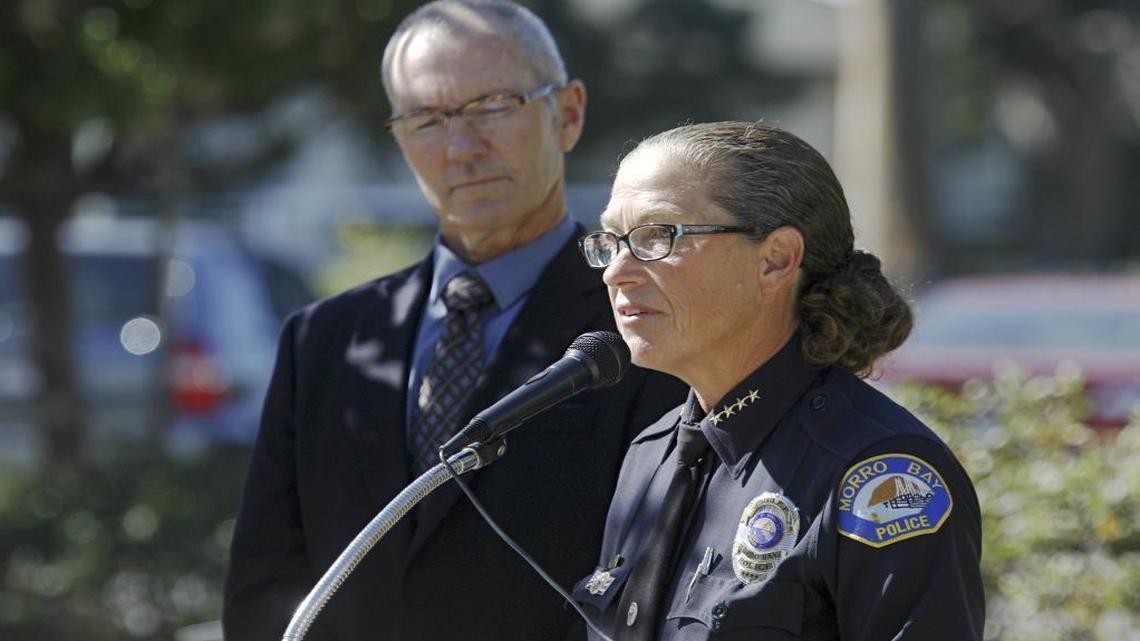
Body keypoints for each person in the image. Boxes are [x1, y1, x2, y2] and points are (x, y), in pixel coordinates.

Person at [222, 3, 685, 641]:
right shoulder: (326, 340)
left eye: (493, 106)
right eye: (425, 120)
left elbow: (667, 583)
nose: (461, 148)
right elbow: (265, 586)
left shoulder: (645, 325)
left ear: (568, 113)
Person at [570, 122, 984, 640]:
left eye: (658, 236)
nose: (616, 271)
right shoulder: (651, 454)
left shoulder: (881, 477)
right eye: (610, 241)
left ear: (776, 260)